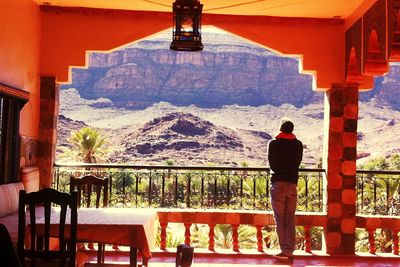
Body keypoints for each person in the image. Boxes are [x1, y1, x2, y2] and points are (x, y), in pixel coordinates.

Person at [268, 119, 303, 262]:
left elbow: (271, 163)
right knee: (290, 218)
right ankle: (290, 251)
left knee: (280, 218)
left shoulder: (274, 143)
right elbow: (298, 162)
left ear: (281, 129)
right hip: (292, 184)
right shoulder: (298, 144)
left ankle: (284, 250)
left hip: (278, 183)